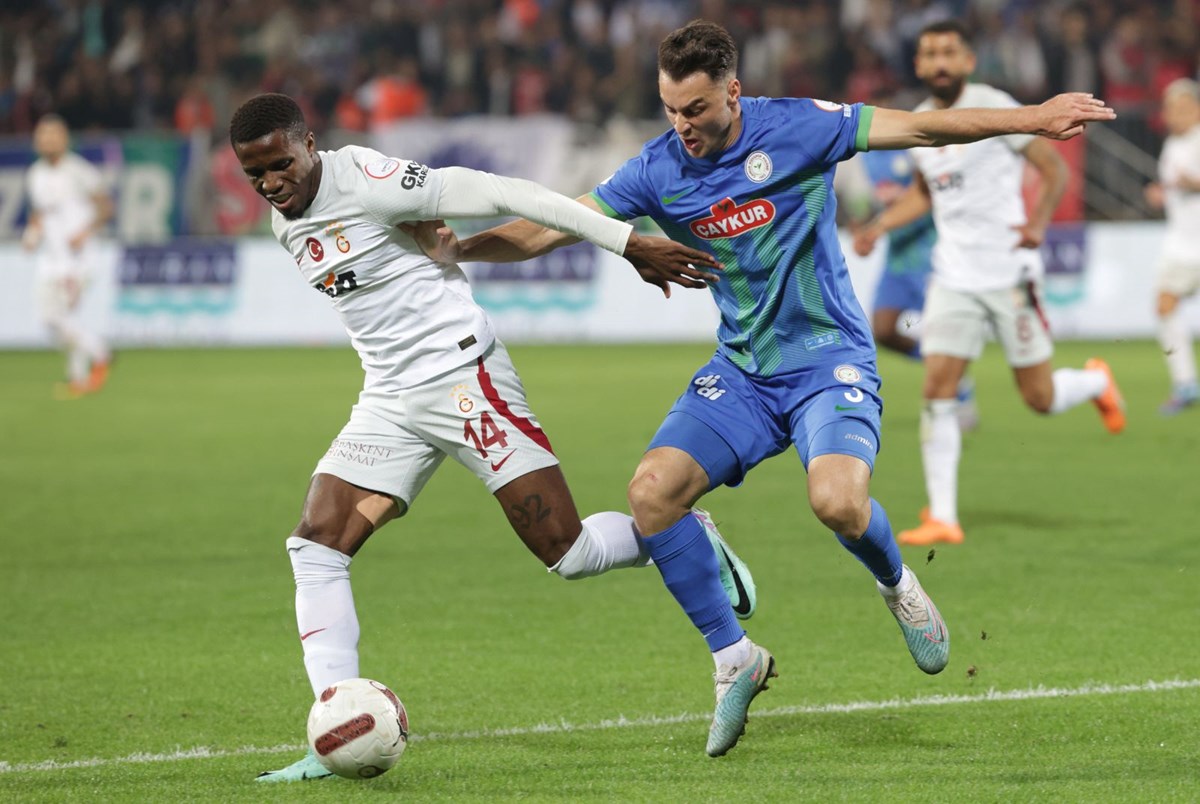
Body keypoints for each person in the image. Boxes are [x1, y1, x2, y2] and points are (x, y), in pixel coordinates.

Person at [404, 19, 1115, 757]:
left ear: (733, 93)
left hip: (828, 360)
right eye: (670, 110)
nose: (682, 126)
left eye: (696, 109)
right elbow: (555, 226)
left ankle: (898, 585)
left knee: (837, 503)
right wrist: (462, 251)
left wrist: (1033, 118)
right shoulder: (657, 169)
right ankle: (734, 657)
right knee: (651, 494)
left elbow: (923, 128)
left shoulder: (802, 128)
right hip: (743, 372)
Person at [227, 93, 757, 783]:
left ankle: (684, 537)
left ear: (309, 143)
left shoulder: (371, 181)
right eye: (256, 174)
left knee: (568, 553)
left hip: (463, 379)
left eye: (281, 164)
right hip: (390, 397)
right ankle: (334, 729)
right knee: (316, 544)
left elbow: (510, 193)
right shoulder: (285, 222)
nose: (272, 183)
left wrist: (626, 242)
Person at [853, 19, 1126, 548]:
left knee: (1039, 397)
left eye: (949, 52)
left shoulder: (994, 105)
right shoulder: (919, 124)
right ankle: (943, 516)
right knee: (938, 388)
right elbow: (926, 194)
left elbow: (1054, 170)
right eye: (930, 53)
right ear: (918, 64)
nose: (939, 62)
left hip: (1008, 273)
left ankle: (1095, 381)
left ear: (968, 61)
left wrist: (1039, 224)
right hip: (952, 276)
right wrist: (879, 226)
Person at [835, 141, 979, 431]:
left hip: (931, 254)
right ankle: (951, 372)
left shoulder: (918, 147)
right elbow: (867, 201)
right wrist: (863, 224)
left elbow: (933, 192)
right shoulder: (867, 155)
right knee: (886, 329)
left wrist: (900, 199)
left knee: (932, 329)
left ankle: (956, 386)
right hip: (897, 260)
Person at [21, 114, 113, 399]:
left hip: (78, 259)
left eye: (52, 135)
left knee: (58, 317)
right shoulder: (35, 174)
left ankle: (99, 354)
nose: (47, 140)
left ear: (64, 139)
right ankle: (80, 376)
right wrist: (32, 235)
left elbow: (106, 208)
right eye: (42, 135)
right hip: (50, 258)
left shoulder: (80, 171)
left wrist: (84, 232)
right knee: (56, 320)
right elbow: (40, 214)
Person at [1144, 78, 1200, 415]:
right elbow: (1176, 188)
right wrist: (1161, 192)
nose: (1175, 115)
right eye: (1170, 109)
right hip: (1182, 243)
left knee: (1166, 305)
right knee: (1165, 305)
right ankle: (1185, 383)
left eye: (1182, 108)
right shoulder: (1172, 146)